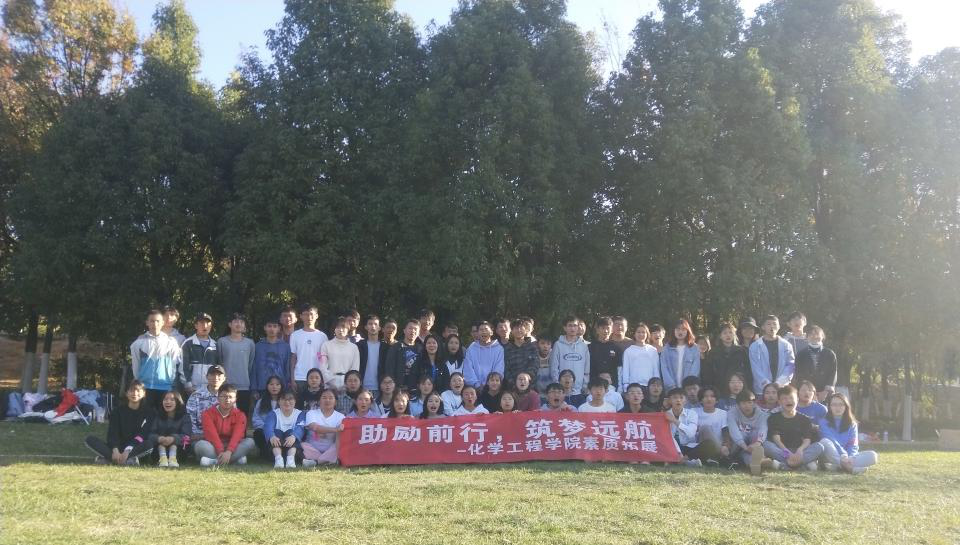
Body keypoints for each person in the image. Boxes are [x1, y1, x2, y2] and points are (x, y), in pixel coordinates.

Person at [85, 380, 155, 465]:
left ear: (144, 393)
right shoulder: (117, 411)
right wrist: (115, 450)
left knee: (149, 444)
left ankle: (110, 459)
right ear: (127, 393)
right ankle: (124, 460)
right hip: (117, 448)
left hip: (135, 447)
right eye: (132, 390)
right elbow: (112, 434)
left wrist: (128, 450)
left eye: (138, 390)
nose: (135, 393)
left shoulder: (149, 412)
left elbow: (142, 435)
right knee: (90, 439)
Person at [131, 309, 182, 410]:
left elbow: (174, 364)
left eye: (158, 321)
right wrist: (139, 381)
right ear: (147, 322)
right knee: (145, 415)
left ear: (162, 322)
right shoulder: (138, 343)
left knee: (163, 415)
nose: (155, 324)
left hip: (165, 387)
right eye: (152, 321)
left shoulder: (171, 343)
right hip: (144, 387)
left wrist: (170, 381)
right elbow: (135, 365)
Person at [763, 385, 824, 470]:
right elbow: (776, 439)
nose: (788, 401)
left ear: (797, 400)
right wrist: (787, 452)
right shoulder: (773, 418)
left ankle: (783, 465)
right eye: (784, 398)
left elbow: (807, 440)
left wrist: (800, 450)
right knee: (766, 445)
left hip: (799, 451)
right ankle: (802, 466)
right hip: (782, 451)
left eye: (791, 398)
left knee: (819, 446)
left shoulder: (805, 419)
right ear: (779, 402)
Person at [195, 383, 256, 467]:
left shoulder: (240, 415)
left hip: (232, 446)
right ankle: (235, 460)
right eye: (224, 396)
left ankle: (213, 461)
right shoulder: (207, 414)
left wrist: (229, 451)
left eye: (231, 397)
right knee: (200, 445)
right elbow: (211, 435)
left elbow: (237, 436)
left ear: (235, 399)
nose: (227, 400)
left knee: (250, 442)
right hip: (213, 446)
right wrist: (221, 451)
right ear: (218, 398)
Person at [818, 393, 878, 475]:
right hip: (831, 455)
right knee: (824, 441)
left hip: (847, 458)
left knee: (873, 455)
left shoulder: (852, 424)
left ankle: (840, 466)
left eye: (841, 404)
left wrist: (851, 457)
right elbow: (831, 439)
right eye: (834, 405)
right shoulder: (823, 422)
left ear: (846, 406)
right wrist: (843, 455)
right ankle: (848, 468)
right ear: (829, 407)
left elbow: (853, 444)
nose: (838, 408)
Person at [217, 313, 256, 414]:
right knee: (225, 415)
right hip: (226, 385)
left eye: (242, 322)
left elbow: (250, 364)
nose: (239, 324)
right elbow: (219, 362)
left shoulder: (250, 343)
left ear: (245, 326)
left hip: (244, 386)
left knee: (242, 416)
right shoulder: (222, 342)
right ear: (230, 324)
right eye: (236, 321)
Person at [726, 390, 771, 475]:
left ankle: (752, 463)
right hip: (737, 445)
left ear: (754, 403)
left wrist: (757, 443)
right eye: (743, 403)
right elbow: (734, 431)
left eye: (750, 403)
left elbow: (763, 429)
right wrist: (745, 447)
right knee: (742, 434)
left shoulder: (762, 415)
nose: (747, 406)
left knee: (755, 435)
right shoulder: (732, 413)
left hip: (752, 445)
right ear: (738, 405)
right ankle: (760, 460)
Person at [701, 322, 752, 397]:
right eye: (725, 333)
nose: (728, 335)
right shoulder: (713, 352)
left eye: (730, 332)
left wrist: (748, 387)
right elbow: (708, 372)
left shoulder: (741, 351)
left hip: (737, 387)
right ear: (720, 336)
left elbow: (748, 370)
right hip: (719, 388)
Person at [749, 315, 796, 395]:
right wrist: (767, 385)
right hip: (762, 390)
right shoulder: (755, 346)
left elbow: (790, 365)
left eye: (774, 324)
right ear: (763, 327)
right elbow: (755, 368)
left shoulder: (786, 345)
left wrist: (779, 383)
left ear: (779, 326)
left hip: (781, 389)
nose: (772, 326)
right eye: (769, 324)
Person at [178, 312, 220, 397]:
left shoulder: (215, 345)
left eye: (207, 323)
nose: (205, 325)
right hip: (192, 389)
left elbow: (219, 368)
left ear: (211, 326)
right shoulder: (188, 343)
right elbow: (183, 366)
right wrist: (188, 385)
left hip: (211, 389)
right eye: (201, 323)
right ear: (196, 325)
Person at [289, 304, 329, 392]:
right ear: (301, 316)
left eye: (311, 314)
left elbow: (323, 358)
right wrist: (292, 378)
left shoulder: (322, 336)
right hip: (299, 377)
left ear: (316, 316)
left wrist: (324, 376)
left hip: (317, 377)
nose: (309, 317)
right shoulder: (295, 335)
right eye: (306, 314)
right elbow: (293, 357)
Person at [251, 316, 291, 402]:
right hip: (262, 386)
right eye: (269, 326)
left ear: (279, 328)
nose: (272, 329)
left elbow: (287, 368)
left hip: (280, 387)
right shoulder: (257, 346)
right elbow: (254, 368)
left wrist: (287, 386)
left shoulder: (285, 347)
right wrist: (254, 388)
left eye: (275, 326)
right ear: (265, 328)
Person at [794, 325, 838, 401]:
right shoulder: (801, 354)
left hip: (825, 394)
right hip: (806, 394)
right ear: (807, 337)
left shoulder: (830, 353)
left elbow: (833, 372)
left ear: (823, 336)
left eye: (817, 334)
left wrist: (826, 391)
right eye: (811, 334)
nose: (814, 336)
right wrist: (810, 393)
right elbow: (798, 374)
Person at [263, 391, 306, 469]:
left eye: (290, 399)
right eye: (284, 399)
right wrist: (272, 436)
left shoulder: (300, 414)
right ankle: (278, 459)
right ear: (279, 401)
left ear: (295, 401)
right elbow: (268, 427)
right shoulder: (273, 413)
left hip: (293, 447)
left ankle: (290, 460)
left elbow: (300, 427)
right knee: (276, 432)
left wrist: (293, 436)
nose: (287, 402)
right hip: (276, 447)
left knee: (292, 433)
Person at [149, 390, 191, 468]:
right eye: (165, 399)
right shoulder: (157, 416)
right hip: (159, 448)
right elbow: (150, 434)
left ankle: (173, 459)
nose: (168, 402)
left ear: (178, 402)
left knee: (175, 445)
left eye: (172, 400)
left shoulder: (185, 417)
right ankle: (163, 459)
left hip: (179, 449)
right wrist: (159, 438)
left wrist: (173, 439)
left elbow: (187, 436)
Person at [549, 316, 590, 394]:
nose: (572, 328)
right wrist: (557, 385)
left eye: (575, 325)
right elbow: (554, 367)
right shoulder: (558, 345)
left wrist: (585, 386)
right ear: (565, 328)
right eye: (570, 325)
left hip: (579, 390)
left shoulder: (584, 346)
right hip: (561, 390)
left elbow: (586, 368)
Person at [302, 389, 344, 466]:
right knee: (302, 445)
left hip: (330, 449)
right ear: (319, 401)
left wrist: (323, 430)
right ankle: (326, 460)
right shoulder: (311, 413)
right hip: (312, 448)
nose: (327, 400)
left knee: (339, 446)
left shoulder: (341, 417)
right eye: (324, 398)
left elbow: (340, 434)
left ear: (335, 402)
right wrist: (335, 429)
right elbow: (315, 427)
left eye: (331, 398)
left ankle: (315, 462)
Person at [186, 365, 225, 443]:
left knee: (248, 442)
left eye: (219, 375)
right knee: (204, 447)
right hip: (201, 438)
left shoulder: (228, 397)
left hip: (222, 437)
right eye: (212, 374)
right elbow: (190, 420)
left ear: (224, 378)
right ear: (207, 377)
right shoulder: (196, 395)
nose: (216, 377)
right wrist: (204, 436)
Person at [663, 387, 702, 467]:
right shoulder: (665, 415)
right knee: (668, 437)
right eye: (675, 398)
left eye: (681, 397)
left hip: (688, 448)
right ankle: (685, 461)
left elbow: (691, 433)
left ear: (685, 400)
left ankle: (681, 460)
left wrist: (674, 420)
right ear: (669, 401)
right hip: (670, 447)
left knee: (709, 444)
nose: (678, 400)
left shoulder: (692, 413)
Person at [320, 317, 360, 392]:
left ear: (348, 329)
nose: (341, 330)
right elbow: (322, 366)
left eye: (343, 327)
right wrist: (330, 382)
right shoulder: (326, 345)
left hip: (348, 385)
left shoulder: (354, 347)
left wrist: (347, 384)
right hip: (329, 385)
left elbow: (355, 368)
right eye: (338, 327)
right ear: (334, 329)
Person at [661, 319, 700, 391]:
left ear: (688, 331)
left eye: (683, 329)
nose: (680, 331)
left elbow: (695, 368)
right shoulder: (667, 348)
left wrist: (688, 384)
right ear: (673, 331)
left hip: (688, 388)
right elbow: (664, 368)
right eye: (678, 329)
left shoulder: (694, 348)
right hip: (671, 388)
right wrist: (671, 385)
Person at [695, 386, 731, 467]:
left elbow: (726, 433)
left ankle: (718, 457)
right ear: (701, 400)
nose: (709, 399)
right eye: (705, 396)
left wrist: (726, 445)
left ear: (717, 400)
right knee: (705, 428)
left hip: (720, 445)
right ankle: (724, 458)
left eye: (712, 396)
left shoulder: (723, 413)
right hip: (702, 445)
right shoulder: (694, 412)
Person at [463, 321, 505, 389]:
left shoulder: (499, 349)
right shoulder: (471, 348)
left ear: (491, 332)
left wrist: (491, 384)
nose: (484, 332)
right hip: (474, 388)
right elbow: (468, 369)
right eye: (481, 330)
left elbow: (499, 368)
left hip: (493, 387)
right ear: (477, 333)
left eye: (486, 329)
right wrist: (477, 385)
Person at [620, 323, 660, 392]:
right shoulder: (628, 351)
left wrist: (656, 384)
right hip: (633, 386)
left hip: (650, 386)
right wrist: (625, 386)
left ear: (647, 334)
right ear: (634, 334)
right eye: (638, 332)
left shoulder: (653, 350)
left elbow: (656, 369)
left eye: (643, 332)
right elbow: (626, 370)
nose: (641, 334)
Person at [385, 319, 422, 391]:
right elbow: (389, 369)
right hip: (398, 388)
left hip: (414, 388)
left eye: (415, 329)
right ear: (404, 330)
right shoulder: (395, 347)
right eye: (410, 328)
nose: (413, 331)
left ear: (418, 333)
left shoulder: (421, 349)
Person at [252, 376, 284, 460]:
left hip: (280, 430)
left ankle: (277, 453)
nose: (274, 387)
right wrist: (267, 428)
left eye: (277, 384)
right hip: (264, 430)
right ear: (267, 386)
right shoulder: (261, 401)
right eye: (271, 384)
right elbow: (256, 419)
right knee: (258, 433)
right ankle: (266, 453)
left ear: (281, 386)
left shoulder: (285, 401)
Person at [358, 314, 387, 398]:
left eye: (375, 324)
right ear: (366, 327)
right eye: (370, 324)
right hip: (362, 386)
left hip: (380, 387)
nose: (373, 326)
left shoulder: (385, 347)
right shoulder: (360, 345)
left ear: (379, 328)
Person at [588, 317, 623, 389]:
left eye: (608, 328)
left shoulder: (616, 348)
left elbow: (619, 369)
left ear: (612, 330)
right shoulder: (590, 347)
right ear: (597, 330)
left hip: (612, 386)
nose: (606, 331)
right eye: (603, 328)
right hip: (593, 385)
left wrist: (620, 388)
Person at [504, 319, 539, 386]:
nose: (519, 330)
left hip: (530, 384)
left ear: (525, 330)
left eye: (521, 328)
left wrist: (527, 378)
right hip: (512, 386)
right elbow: (506, 368)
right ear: (511, 331)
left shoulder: (532, 346)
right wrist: (514, 382)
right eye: (516, 328)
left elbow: (535, 364)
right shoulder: (507, 348)